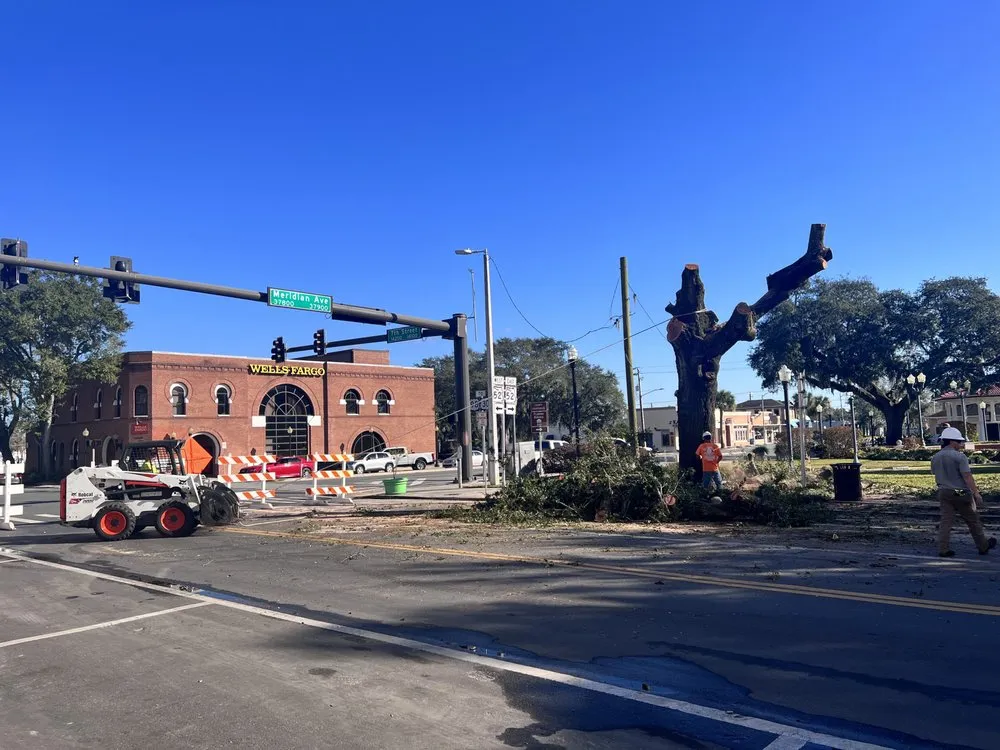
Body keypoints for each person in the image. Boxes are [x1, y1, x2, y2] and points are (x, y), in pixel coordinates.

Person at [931, 426, 996, 557]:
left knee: (946, 521)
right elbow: (967, 476)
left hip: (944, 491)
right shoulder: (960, 457)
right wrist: (976, 494)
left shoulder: (935, 457)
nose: (961, 444)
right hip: (959, 491)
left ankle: (943, 548)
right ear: (951, 441)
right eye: (959, 442)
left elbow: (934, 473)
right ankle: (983, 546)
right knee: (972, 519)